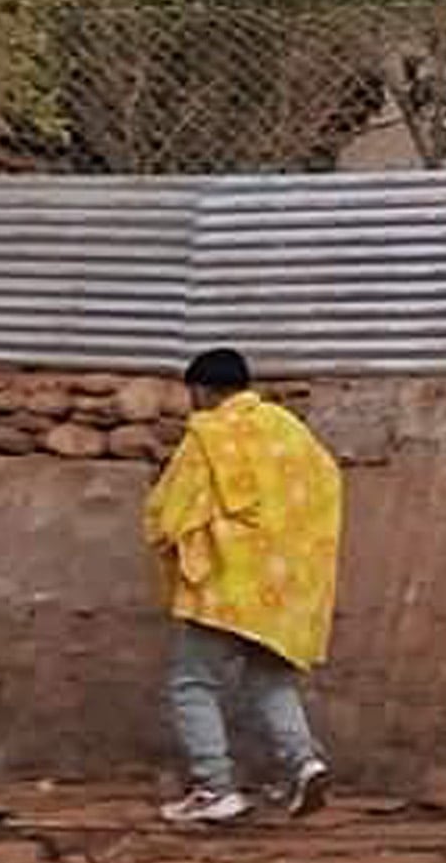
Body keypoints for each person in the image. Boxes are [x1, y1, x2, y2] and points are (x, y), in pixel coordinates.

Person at [143, 347, 343, 826]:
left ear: (202, 391)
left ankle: (215, 788)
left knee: (192, 683)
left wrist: (167, 537)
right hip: (285, 587)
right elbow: (327, 485)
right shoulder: (290, 430)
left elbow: (171, 509)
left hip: (225, 586)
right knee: (269, 678)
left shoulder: (209, 435)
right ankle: (304, 764)